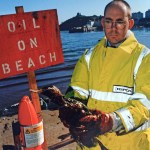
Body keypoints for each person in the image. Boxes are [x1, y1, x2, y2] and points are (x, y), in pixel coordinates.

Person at [63, 0, 150, 150]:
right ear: (102, 23)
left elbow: (144, 104)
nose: (113, 28)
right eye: (109, 21)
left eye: (120, 22)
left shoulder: (144, 58)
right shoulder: (88, 57)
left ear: (130, 23)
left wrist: (112, 121)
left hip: (130, 144)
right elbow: (76, 93)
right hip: (90, 144)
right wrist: (69, 113)